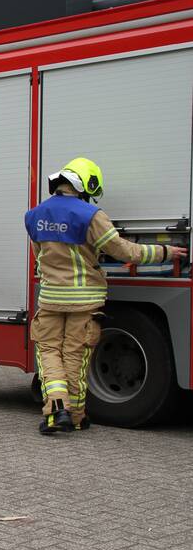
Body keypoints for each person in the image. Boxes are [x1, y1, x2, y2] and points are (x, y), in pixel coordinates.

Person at [25, 157, 186, 434]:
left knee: (49, 353)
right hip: (84, 299)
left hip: (51, 297)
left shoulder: (35, 214)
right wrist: (165, 252)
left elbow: (39, 258)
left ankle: (56, 412)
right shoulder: (90, 215)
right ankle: (74, 417)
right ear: (86, 185)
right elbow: (125, 251)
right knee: (75, 356)